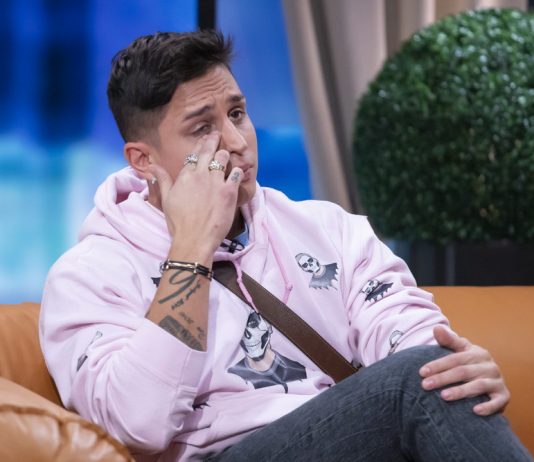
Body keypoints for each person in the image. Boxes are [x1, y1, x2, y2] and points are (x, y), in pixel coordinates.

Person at [39, 30, 532, 461]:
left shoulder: (327, 228)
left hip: (349, 438)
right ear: (142, 160)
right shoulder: (90, 273)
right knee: (418, 381)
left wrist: (457, 369)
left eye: (237, 113)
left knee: (437, 375)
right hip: (220, 453)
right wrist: (191, 250)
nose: (236, 141)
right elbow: (137, 425)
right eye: (202, 127)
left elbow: (405, 331)